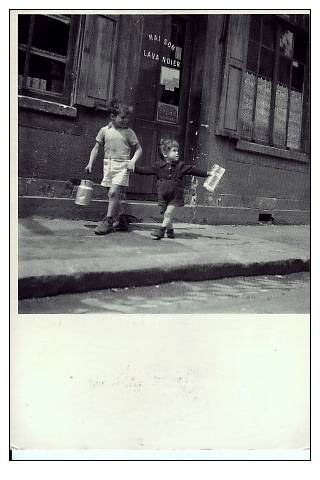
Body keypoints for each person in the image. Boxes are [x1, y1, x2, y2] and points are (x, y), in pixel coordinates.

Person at [128, 138, 210, 240]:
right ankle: (170, 231)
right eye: (174, 151)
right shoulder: (158, 166)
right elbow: (146, 170)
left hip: (175, 196)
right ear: (165, 154)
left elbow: (193, 170)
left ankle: (161, 231)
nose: (177, 153)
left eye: (177, 151)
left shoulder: (181, 166)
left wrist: (206, 173)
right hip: (162, 194)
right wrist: (134, 168)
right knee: (165, 214)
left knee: (168, 213)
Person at [85, 99, 142, 235]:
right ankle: (121, 218)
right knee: (114, 195)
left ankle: (109, 221)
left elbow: (139, 149)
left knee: (113, 193)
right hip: (108, 165)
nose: (125, 120)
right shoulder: (104, 131)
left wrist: (133, 161)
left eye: (127, 117)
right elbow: (96, 148)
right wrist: (90, 163)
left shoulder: (129, 132)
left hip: (122, 166)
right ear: (113, 116)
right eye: (122, 117)